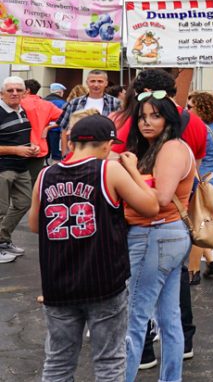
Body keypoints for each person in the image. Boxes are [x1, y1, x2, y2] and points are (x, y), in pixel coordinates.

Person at [31, 114, 159, 382]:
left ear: (73, 141)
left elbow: (34, 224)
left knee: (58, 361)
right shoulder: (107, 170)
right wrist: (133, 169)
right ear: (106, 144)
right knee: (109, 360)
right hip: (103, 280)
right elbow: (151, 206)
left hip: (59, 283)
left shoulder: (45, 175)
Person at [122, 89, 196, 382]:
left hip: (156, 234)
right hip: (164, 236)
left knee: (134, 319)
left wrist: (129, 170)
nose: (147, 122)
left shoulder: (172, 149)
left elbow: (161, 198)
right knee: (168, 318)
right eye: (142, 117)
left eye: (155, 115)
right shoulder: (161, 148)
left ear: (169, 118)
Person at [185, 91, 213, 284]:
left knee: (196, 227)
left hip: (197, 178)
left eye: (190, 107)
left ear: (200, 108)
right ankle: (210, 259)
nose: (186, 109)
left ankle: (193, 271)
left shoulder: (196, 129)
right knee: (202, 223)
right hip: (212, 178)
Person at [0, 76, 38, 262]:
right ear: (2, 93)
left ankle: (3, 239)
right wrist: (16, 150)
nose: (15, 93)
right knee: (0, 209)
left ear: (24, 93)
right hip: (3, 168)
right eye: (10, 90)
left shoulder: (22, 110)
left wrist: (32, 147)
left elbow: (20, 137)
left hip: (21, 166)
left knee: (24, 203)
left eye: (18, 90)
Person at [59, 70, 119, 155]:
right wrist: (65, 153)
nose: (96, 85)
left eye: (100, 81)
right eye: (92, 81)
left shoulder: (116, 103)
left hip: (104, 152)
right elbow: (64, 129)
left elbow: (119, 130)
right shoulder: (74, 103)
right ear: (87, 82)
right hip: (77, 151)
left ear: (106, 83)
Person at [22, 79, 62, 178]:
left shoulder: (19, 103)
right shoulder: (47, 105)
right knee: (34, 180)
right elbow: (66, 116)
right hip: (40, 148)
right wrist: (49, 127)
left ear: (27, 90)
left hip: (19, 147)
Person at [44, 82, 67, 162]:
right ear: (60, 92)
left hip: (44, 130)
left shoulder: (43, 101)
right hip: (56, 131)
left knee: (45, 153)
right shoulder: (62, 103)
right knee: (57, 156)